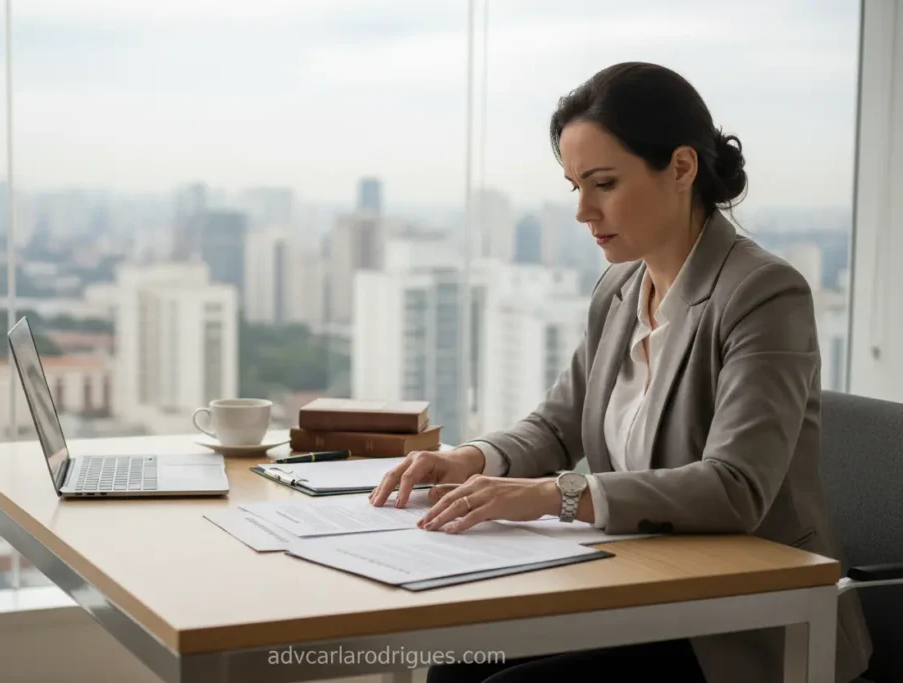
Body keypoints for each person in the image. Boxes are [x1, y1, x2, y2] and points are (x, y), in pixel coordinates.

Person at [369, 62, 873, 683]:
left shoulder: (763, 293)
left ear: (682, 168)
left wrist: (557, 494)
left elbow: (735, 487)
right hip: (636, 584)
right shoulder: (620, 286)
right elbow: (559, 426)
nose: (583, 210)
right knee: (454, 665)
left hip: (742, 623)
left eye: (603, 183)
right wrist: (473, 459)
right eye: (574, 185)